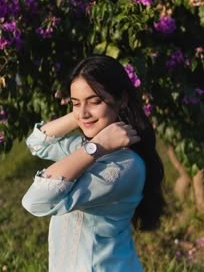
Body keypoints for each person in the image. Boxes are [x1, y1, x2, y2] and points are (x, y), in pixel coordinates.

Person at [22, 54, 165, 272]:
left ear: (122, 100)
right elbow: (37, 142)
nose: (83, 112)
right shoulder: (87, 146)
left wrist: (95, 146)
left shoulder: (125, 167)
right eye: (75, 103)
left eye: (96, 101)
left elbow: (36, 201)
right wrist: (80, 115)